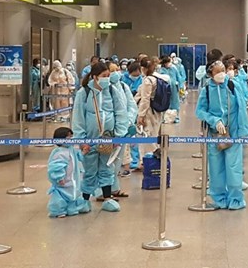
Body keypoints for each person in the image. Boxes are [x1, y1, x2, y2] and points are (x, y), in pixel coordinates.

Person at [72, 61, 129, 213]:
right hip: (89, 140)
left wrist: (118, 135)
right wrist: (81, 139)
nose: (107, 79)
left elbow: (121, 113)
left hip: (108, 139)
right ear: (95, 77)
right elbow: (78, 118)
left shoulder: (112, 91)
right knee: (89, 169)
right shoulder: (83, 93)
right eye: (104, 76)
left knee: (107, 168)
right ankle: (84, 200)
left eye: (108, 76)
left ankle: (107, 198)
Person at [196, 60, 248, 210]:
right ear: (210, 74)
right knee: (216, 169)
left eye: (223, 71)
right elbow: (200, 111)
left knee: (234, 168)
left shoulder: (233, 85)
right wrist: (214, 120)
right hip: (215, 135)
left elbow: (242, 108)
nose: (221, 74)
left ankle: (236, 199)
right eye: (217, 72)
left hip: (234, 133)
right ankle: (219, 198)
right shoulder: (207, 89)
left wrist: (242, 131)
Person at [47, 127, 87, 218]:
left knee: (72, 194)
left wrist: (83, 153)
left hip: (72, 179)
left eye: (72, 136)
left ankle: (72, 209)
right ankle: (59, 210)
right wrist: (59, 178)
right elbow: (56, 167)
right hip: (64, 180)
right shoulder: (59, 153)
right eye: (69, 137)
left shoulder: (71, 149)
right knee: (61, 195)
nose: (71, 139)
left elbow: (77, 157)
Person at [135, 57, 169, 157]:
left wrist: (141, 115)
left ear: (143, 68)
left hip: (149, 112)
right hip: (157, 111)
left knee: (146, 136)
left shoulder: (148, 81)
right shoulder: (160, 78)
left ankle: (149, 158)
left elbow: (145, 99)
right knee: (153, 134)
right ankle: (152, 156)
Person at [159, 56, 181, 123]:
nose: (169, 63)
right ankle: (165, 117)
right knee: (165, 102)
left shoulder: (174, 68)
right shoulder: (161, 70)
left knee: (175, 102)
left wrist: (180, 86)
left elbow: (178, 77)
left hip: (174, 88)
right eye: (168, 62)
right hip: (164, 88)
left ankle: (175, 117)